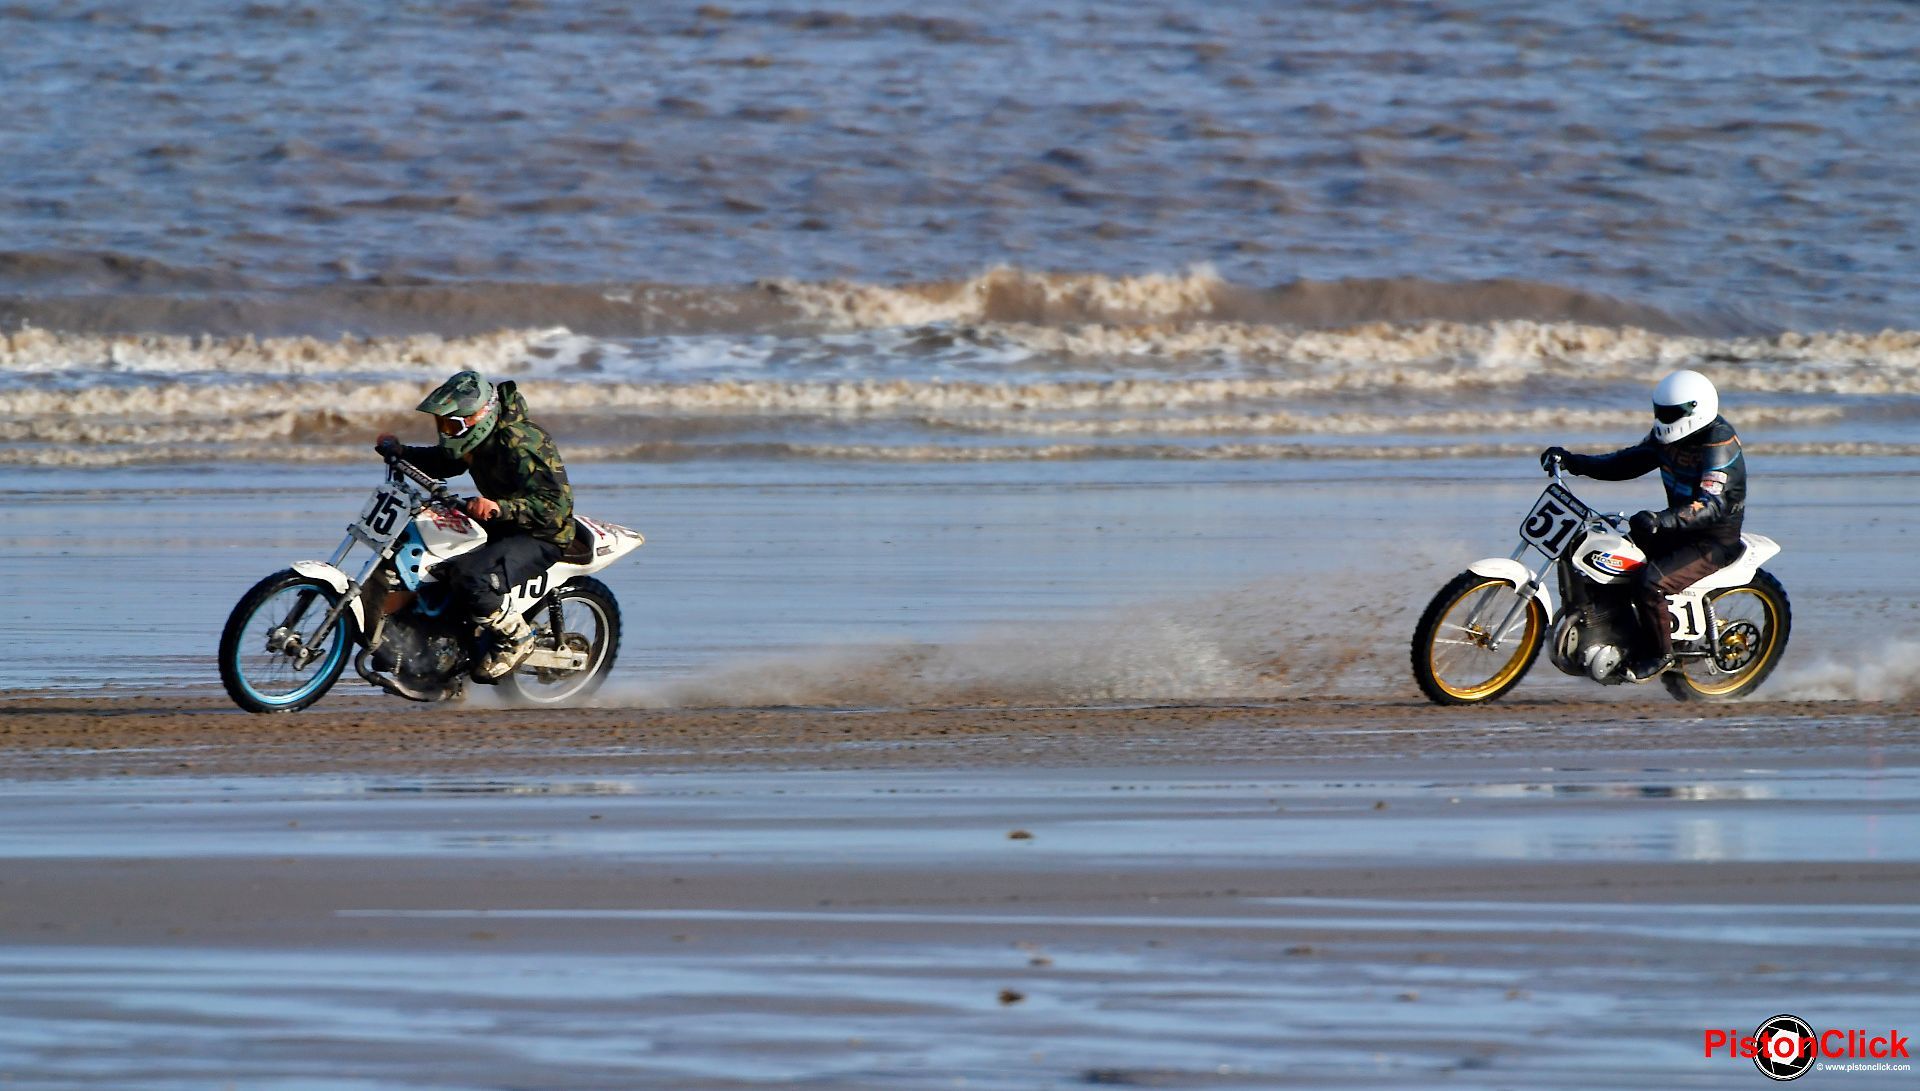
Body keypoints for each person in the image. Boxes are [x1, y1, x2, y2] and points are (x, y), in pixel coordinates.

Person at [1540, 369, 1746, 682]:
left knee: (1651, 583)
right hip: (1676, 528)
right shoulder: (1668, 437)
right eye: (1660, 412)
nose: (1663, 418)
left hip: (1713, 540)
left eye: (1671, 413)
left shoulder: (1719, 446)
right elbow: (1629, 461)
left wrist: (1660, 519)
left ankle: (1660, 654)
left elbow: (1710, 505)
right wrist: (1575, 462)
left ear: (1695, 408)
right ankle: (1611, 630)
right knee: (1604, 553)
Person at [375, 371, 574, 681]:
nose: (445, 431)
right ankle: (438, 648)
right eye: (442, 424)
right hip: (499, 523)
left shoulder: (522, 443)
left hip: (539, 534)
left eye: (452, 425)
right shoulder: (477, 440)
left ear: (480, 417)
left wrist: (500, 507)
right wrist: (403, 453)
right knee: (431, 557)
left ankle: (516, 638)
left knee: (472, 577)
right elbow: (446, 462)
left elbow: (556, 508)